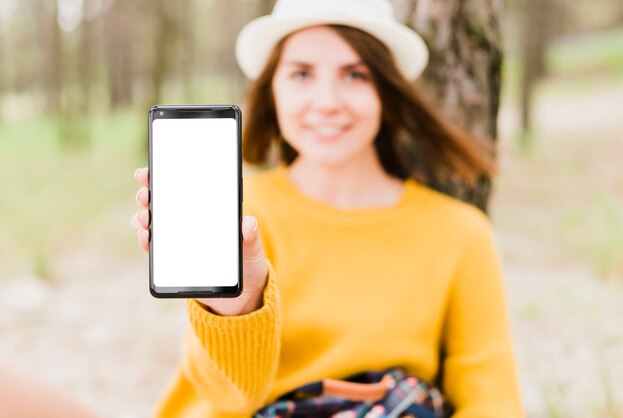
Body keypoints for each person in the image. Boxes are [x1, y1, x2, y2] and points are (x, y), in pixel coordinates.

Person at [131, 0, 524, 416]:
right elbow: (224, 401)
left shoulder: (460, 233)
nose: (328, 101)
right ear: (272, 88)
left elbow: (493, 402)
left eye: (355, 74)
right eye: (301, 73)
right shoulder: (238, 216)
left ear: (385, 92)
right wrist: (236, 309)